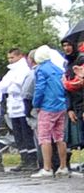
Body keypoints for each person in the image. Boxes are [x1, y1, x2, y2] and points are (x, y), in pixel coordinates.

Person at [30, 45, 72, 179]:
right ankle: (63, 166)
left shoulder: (41, 70)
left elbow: (40, 88)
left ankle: (47, 168)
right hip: (61, 106)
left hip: (47, 107)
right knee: (60, 136)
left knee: (44, 137)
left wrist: (36, 103)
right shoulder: (57, 69)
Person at [0, 47, 37, 170]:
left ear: (20, 56)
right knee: (18, 136)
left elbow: (20, 86)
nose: (10, 60)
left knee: (27, 135)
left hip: (21, 106)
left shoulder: (24, 69)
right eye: (8, 58)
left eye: (12, 57)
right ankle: (24, 159)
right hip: (12, 107)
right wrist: (11, 85)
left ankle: (32, 159)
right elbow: (2, 86)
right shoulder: (11, 71)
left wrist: (11, 85)